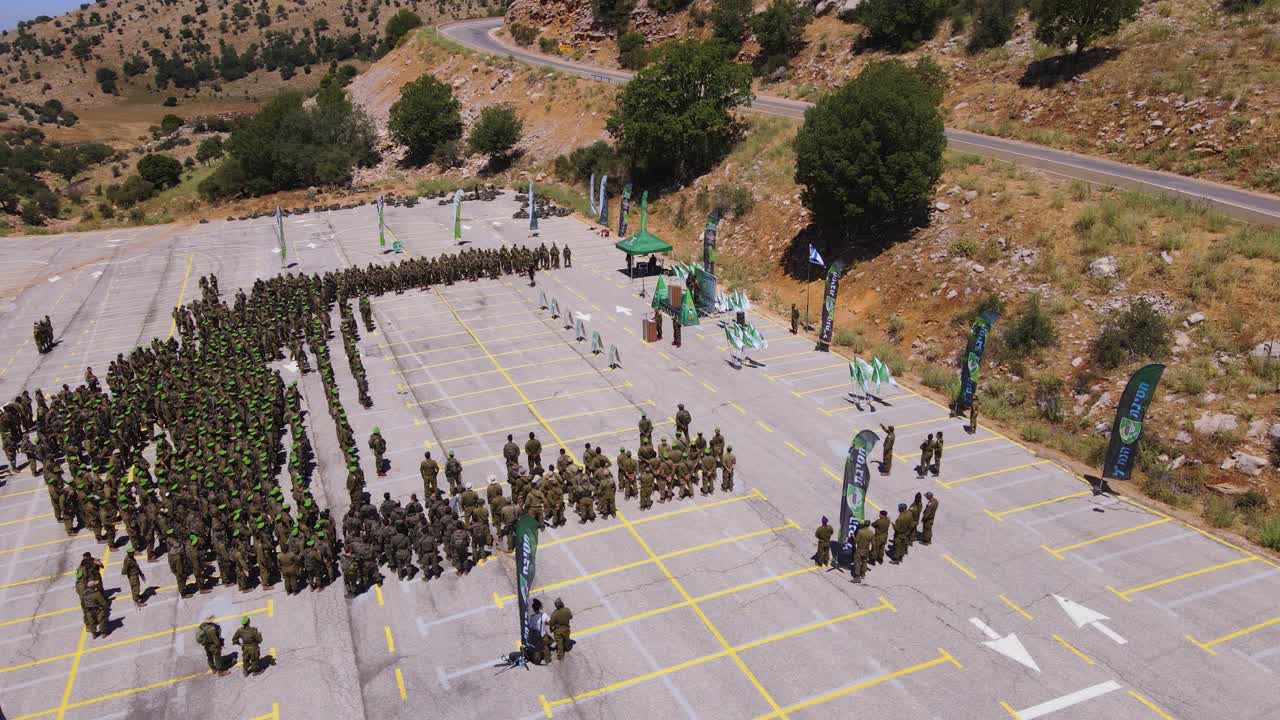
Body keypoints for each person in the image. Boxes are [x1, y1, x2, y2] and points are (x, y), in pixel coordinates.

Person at [527, 598, 550, 664]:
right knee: (545, 647)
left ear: (533, 609)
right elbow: (549, 623)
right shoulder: (544, 615)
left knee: (537, 649)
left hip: (536, 637)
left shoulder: (532, 618)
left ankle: (537, 660)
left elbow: (530, 627)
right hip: (544, 635)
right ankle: (547, 660)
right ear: (539, 608)